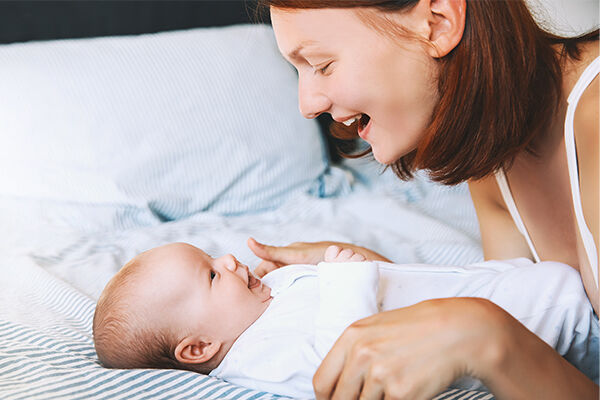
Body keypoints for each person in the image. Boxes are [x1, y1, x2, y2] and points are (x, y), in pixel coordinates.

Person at [247, 0, 599, 398]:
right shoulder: (493, 152)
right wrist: (381, 279)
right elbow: (525, 318)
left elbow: (497, 335)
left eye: (323, 65)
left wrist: (481, 332)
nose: (307, 105)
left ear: (437, 24)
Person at [93, 242, 597, 398]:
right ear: (199, 348)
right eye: (209, 276)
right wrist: (341, 281)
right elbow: (339, 367)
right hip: (566, 321)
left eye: (213, 256)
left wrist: (303, 271)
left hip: (526, 284)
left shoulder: (260, 307)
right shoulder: (257, 357)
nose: (227, 261)